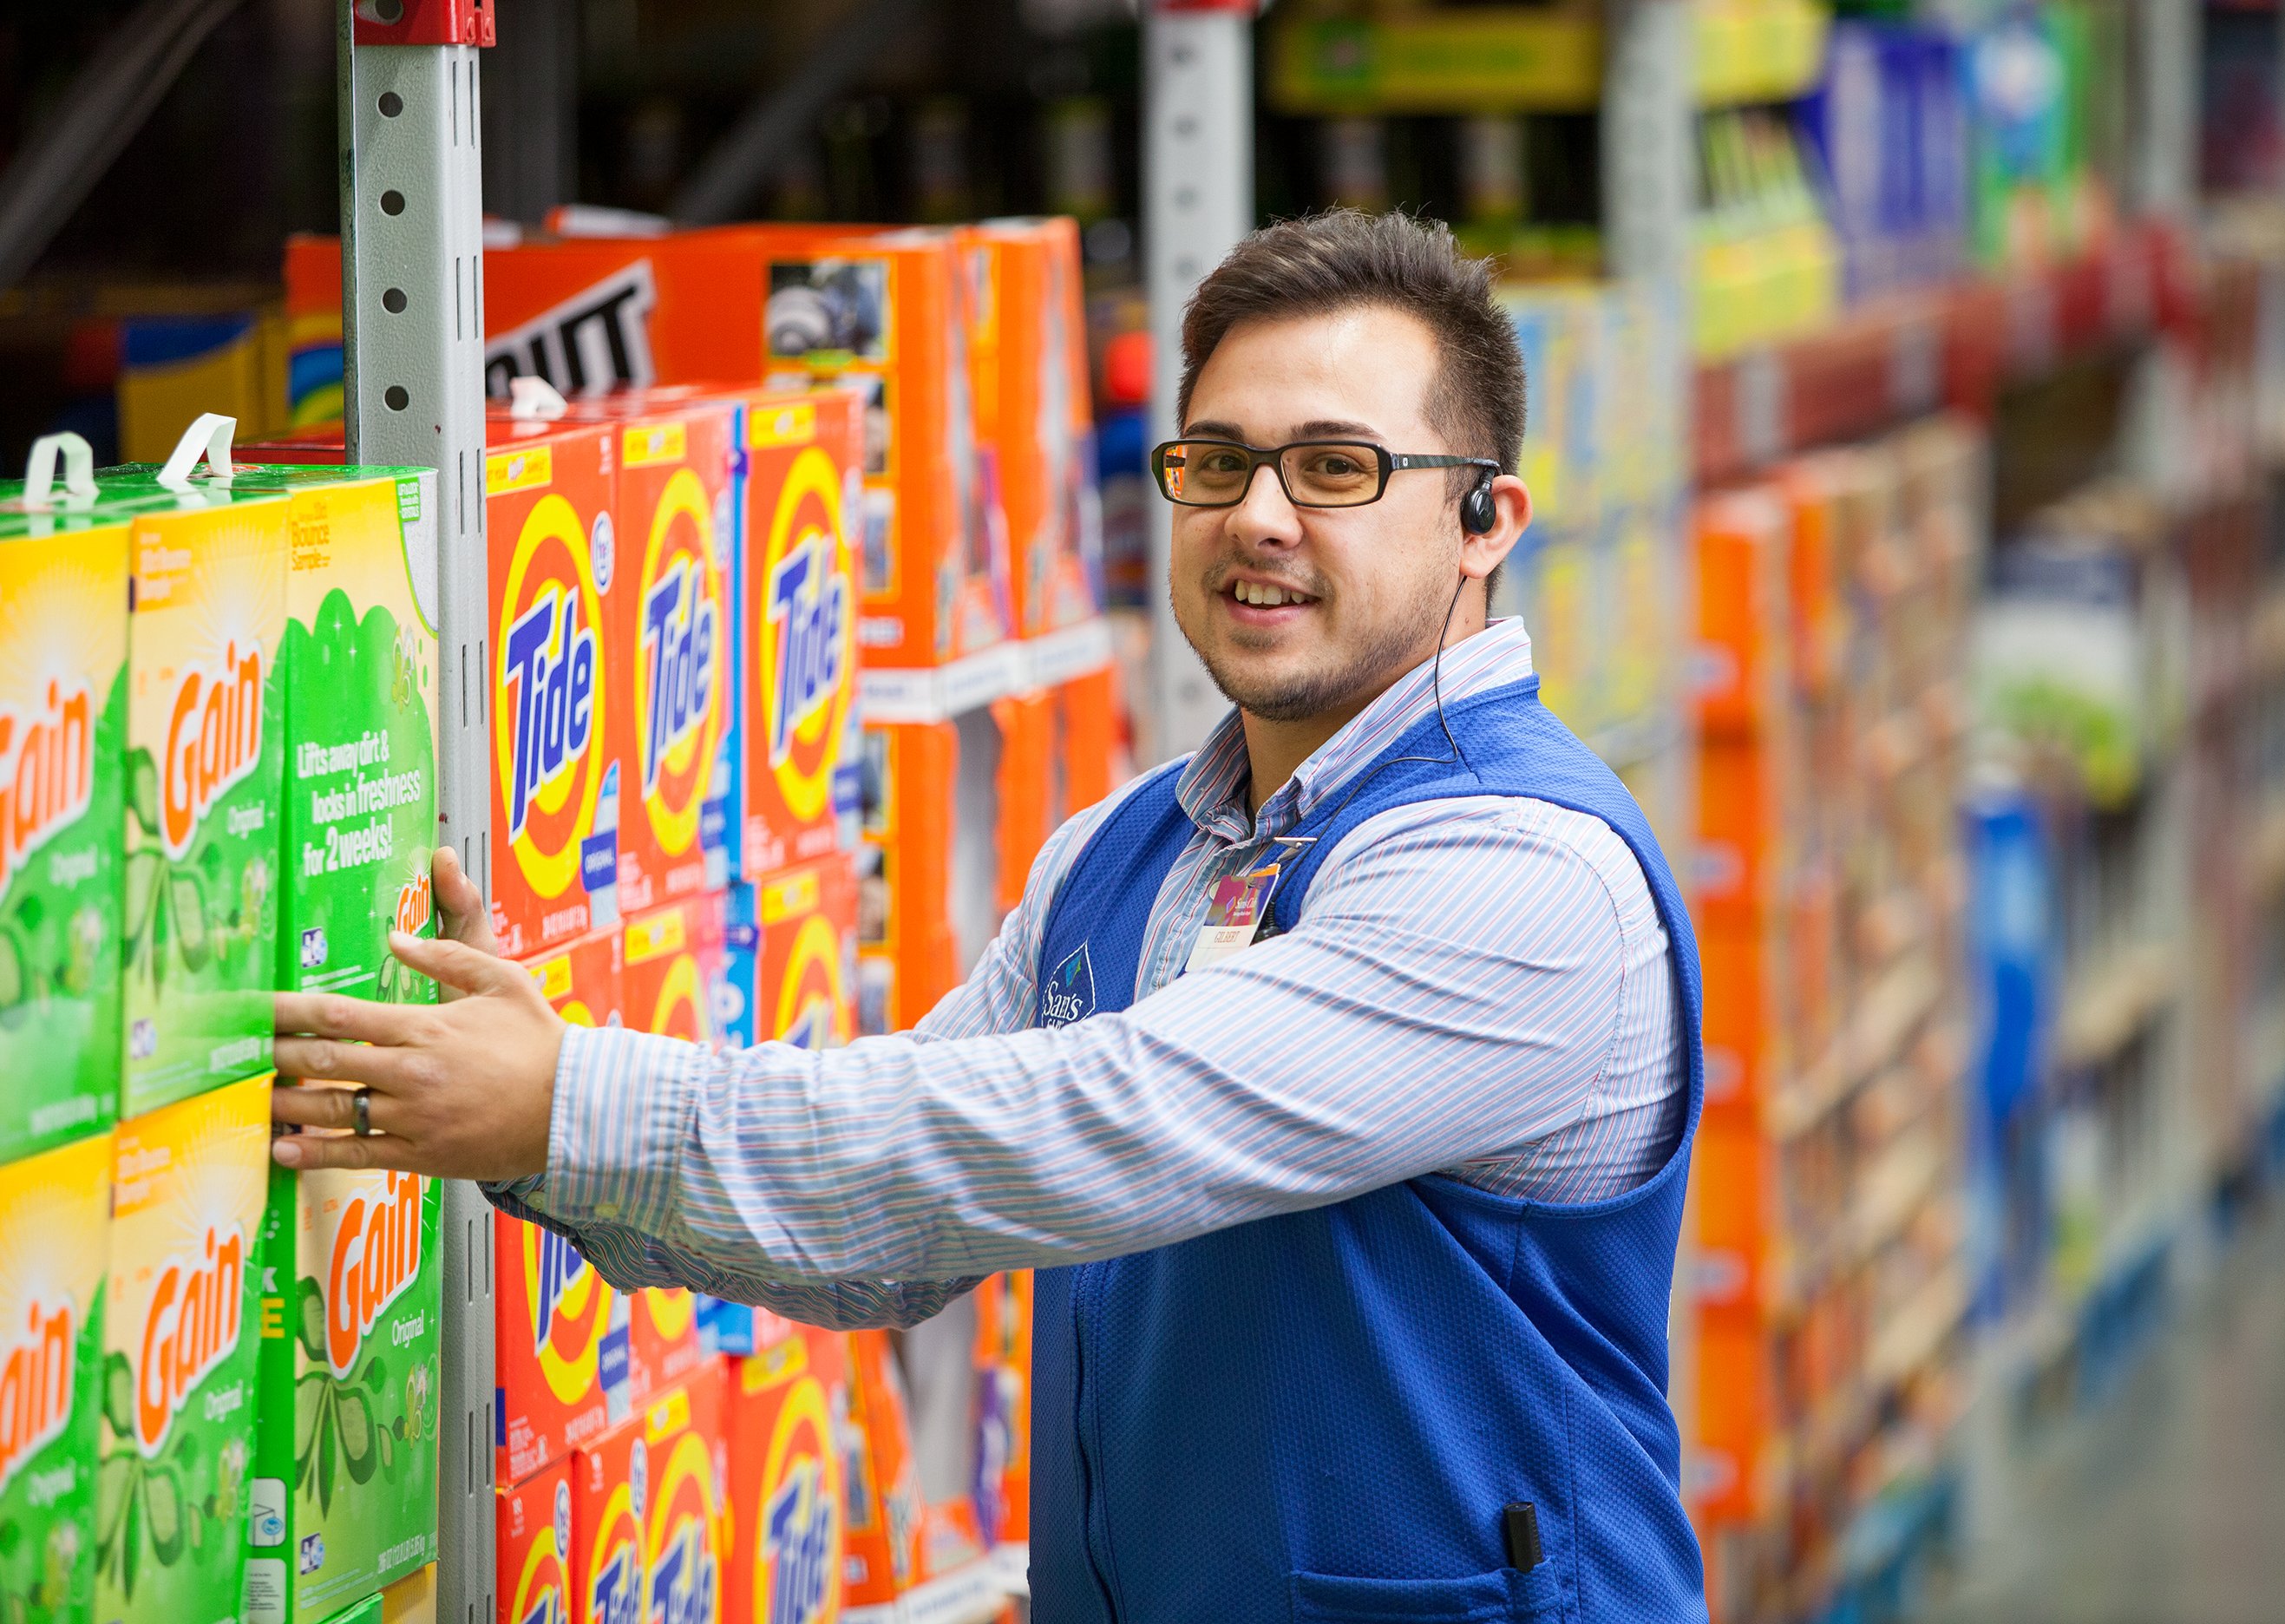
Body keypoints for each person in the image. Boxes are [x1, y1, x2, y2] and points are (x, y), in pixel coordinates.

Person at [272, 209, 1708, 1621]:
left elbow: (1097, 1121)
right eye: (1215, 463)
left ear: (1484, 522)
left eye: (1334, 468)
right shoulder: (1123, 854)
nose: (1257, 516)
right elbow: (893, 1239)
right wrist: (532, 1141)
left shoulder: (1523, 871)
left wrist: (570, 1104)